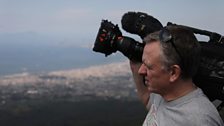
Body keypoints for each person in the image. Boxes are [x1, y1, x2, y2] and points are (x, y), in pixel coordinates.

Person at [130, 25, 224, 126]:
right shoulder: (164, 92)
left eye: (148, 66)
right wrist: (134, 63)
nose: (141, 71)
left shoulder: (200, 120)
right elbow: (148, 100)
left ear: (173, 73)